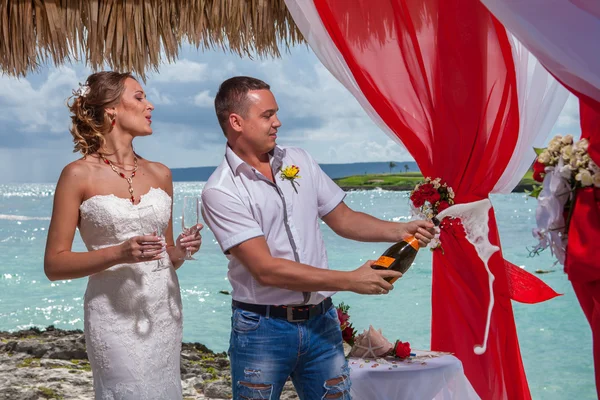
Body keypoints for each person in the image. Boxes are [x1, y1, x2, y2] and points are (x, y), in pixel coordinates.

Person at [201, 76, 435, 399]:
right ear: (236, 122)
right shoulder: (220, 191)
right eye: (267, 115)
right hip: (262, 329)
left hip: (322, 322)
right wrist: (350, 280)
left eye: (276, 113)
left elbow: (343, 218)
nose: (277, 122)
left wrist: (399, 230)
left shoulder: (299, 160)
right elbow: (266, 269)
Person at [43, 71, 202, 399]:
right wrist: (119, 253)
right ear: (112, 110)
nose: (150, 105)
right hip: (113, 318)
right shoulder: (77, 174)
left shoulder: (161, 173)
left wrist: (182, 251)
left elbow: (167, 255)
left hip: (164, 312)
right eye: (140, 97)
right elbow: (54, 265)